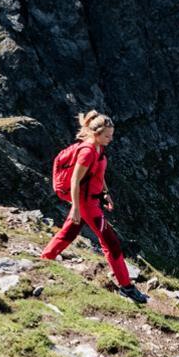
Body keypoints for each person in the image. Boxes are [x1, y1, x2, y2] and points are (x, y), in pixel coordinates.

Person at [42, 110, 147, 304]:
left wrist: (106, 193)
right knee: (111, 243)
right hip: (85, 202)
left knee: (70, 231)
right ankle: (127, 287)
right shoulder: (88, 151)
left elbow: (98, 173)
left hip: (91, 199)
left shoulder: (98, 148)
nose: (110, 139)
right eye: (107, 136)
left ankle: (45, 259)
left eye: (112, 135)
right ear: (96, 134)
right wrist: (75, 207)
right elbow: (75, 180)